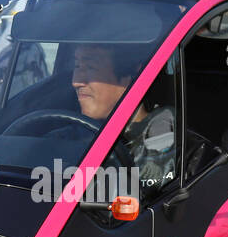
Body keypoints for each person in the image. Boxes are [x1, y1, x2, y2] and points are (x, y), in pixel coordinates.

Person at [71, 43, 176, 195]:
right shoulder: (67, 134)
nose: (76, 81)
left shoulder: (171, 145)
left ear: (132, 76)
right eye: (77, 66)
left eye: (91, 68)